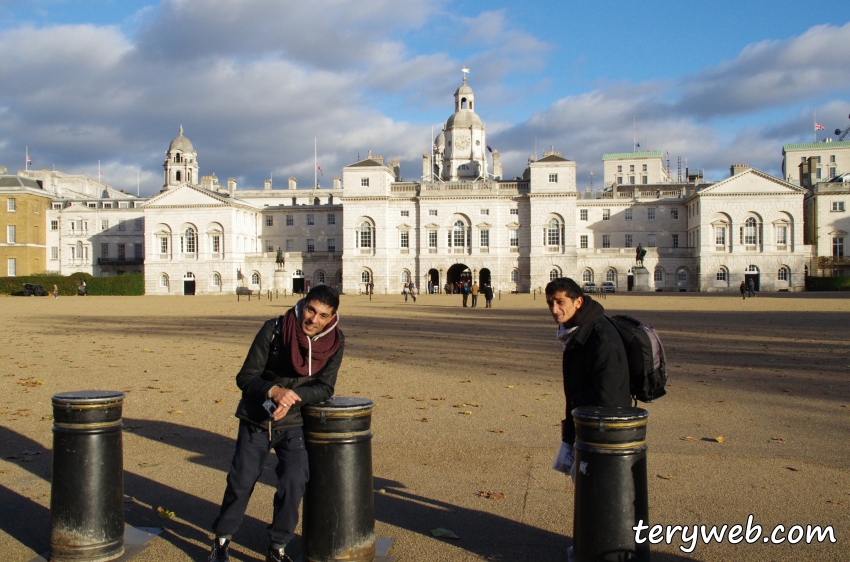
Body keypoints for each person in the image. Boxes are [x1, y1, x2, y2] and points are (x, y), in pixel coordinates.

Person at [209, 286, 344, 562]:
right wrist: (274, 391)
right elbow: (245, 377)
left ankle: (278, 547)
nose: (313, 319)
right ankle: (221, 541)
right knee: (241, 481)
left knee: (294, 480)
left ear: (331, 318)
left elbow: (325, 387)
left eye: (322, 315)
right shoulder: (274, 329)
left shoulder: (334, 342)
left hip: (292, 422)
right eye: (310, 310)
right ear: (303, 304)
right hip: (257, 419)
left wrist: (294, 397)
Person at [545, 277, 630, 479]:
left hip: (605, 428)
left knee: (597, 490)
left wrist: (575, 401)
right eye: (550, 303)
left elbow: (606, 396)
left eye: (559, 302)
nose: (554, 309)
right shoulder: (580, 329)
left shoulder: (599, 338)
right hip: (592, 424)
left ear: (578, 302)